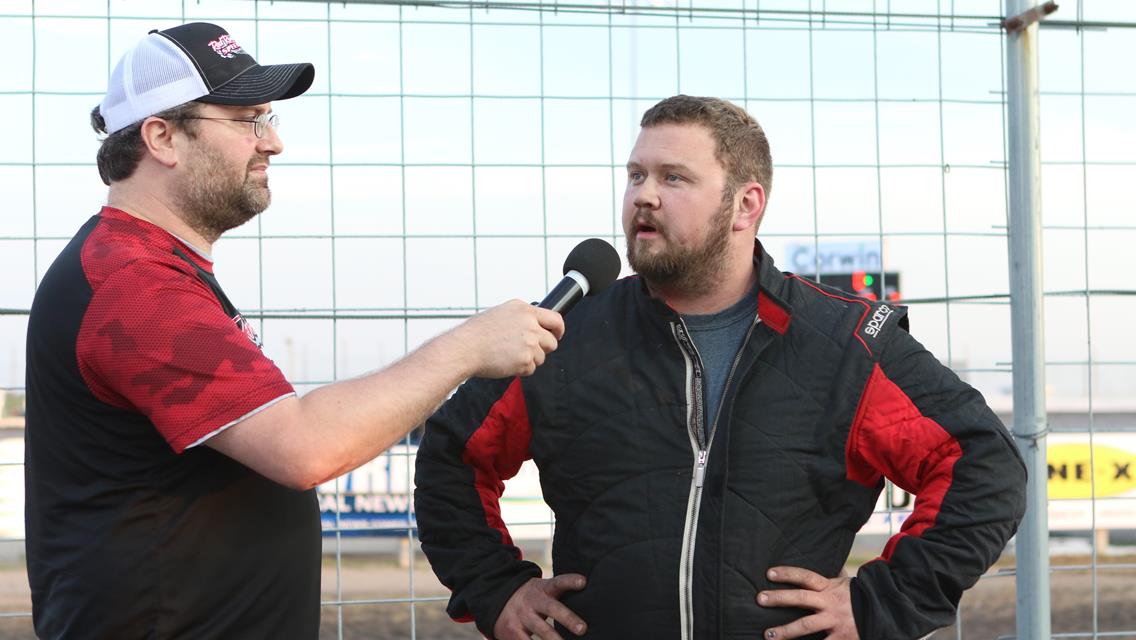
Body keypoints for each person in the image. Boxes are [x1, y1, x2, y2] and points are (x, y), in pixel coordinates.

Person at [415, 95, 1027, 640]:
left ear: (745, 204)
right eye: (636, 175)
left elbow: (982, 465)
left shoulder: (843, 342)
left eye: (673, 177)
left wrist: (881, 602)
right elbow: (452, 454)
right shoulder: (569, 335)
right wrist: (497, 590)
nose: (643, 195)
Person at [23, 22, 564, 639]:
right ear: (162, 136)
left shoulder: (146, 267)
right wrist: (466, 348)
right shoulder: (135, 286)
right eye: (247, 120)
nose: (272, 142)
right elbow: (302, 448)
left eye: (269, 117)